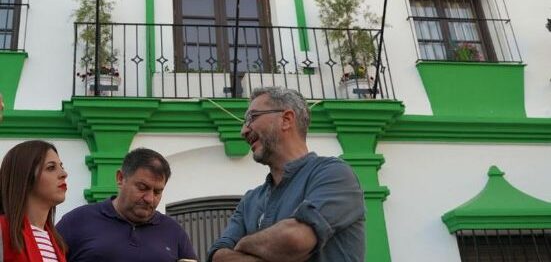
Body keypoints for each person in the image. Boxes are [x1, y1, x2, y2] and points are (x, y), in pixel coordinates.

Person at [208, 87, 365, 262]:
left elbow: (295, 239)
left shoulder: (333, 173)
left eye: (252, 118)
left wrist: (242, 244)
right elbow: (218, 256)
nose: (243, 131)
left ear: (286, 119)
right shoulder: (250, 201)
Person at [57, 148, 197, 262]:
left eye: (157, 192)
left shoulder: (174, 232)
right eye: (142, 187)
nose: (150, 198)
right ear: (120, 178)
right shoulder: (77, 221)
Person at [0, 140, 68, 261]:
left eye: (61, 166)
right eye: (51, 168)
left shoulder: (57, 243)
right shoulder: (3, 231)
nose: (64, 173)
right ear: (25, 177)